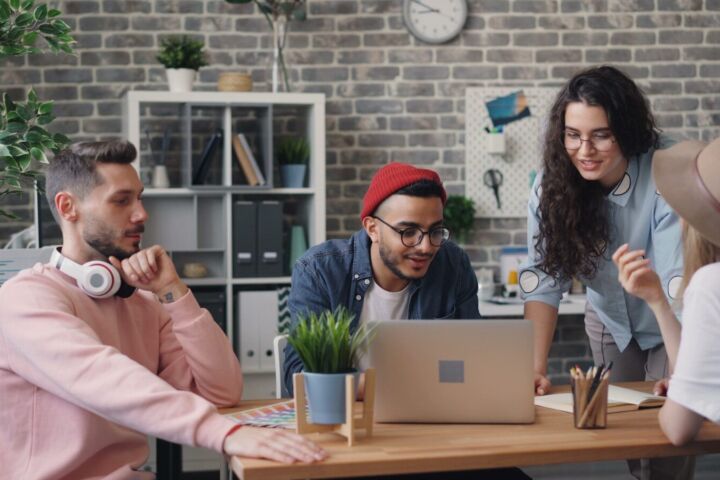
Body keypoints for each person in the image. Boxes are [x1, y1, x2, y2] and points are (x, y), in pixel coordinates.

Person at [0, 140, 325, 480]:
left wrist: (174, 293)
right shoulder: (27, 299)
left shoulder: (142, 303)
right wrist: (226, 433)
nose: (142, 214)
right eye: (122, 200)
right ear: (68, 207)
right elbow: (102, 377)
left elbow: (221, 391)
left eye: (140, 198)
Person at [284, 162, 532, 480]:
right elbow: (298, 376)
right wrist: (396, 385)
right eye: (408, 232)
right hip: (345, 439)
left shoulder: (453, 264)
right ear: (372, 228)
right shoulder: (319, 270)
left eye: (435, 231)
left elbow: (473, 359)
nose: (425, 246)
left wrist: (508, 378)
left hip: (433, 435)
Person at [519, 65, 693, 479]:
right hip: (610, 321)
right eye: (573, 135)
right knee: (629, 441)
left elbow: (676, 288)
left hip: (670, 315)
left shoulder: (668, 172)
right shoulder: (551, 187)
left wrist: (685, 371)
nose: (585, 150)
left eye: (601, 134)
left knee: (670, 445)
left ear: (627, 130)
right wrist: (534, 369)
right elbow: (544, 281)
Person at [613, 138, 720, 446]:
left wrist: (679, 400)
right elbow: (694, 371)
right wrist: (657, 300)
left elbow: (678, 429)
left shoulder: (710, 284)